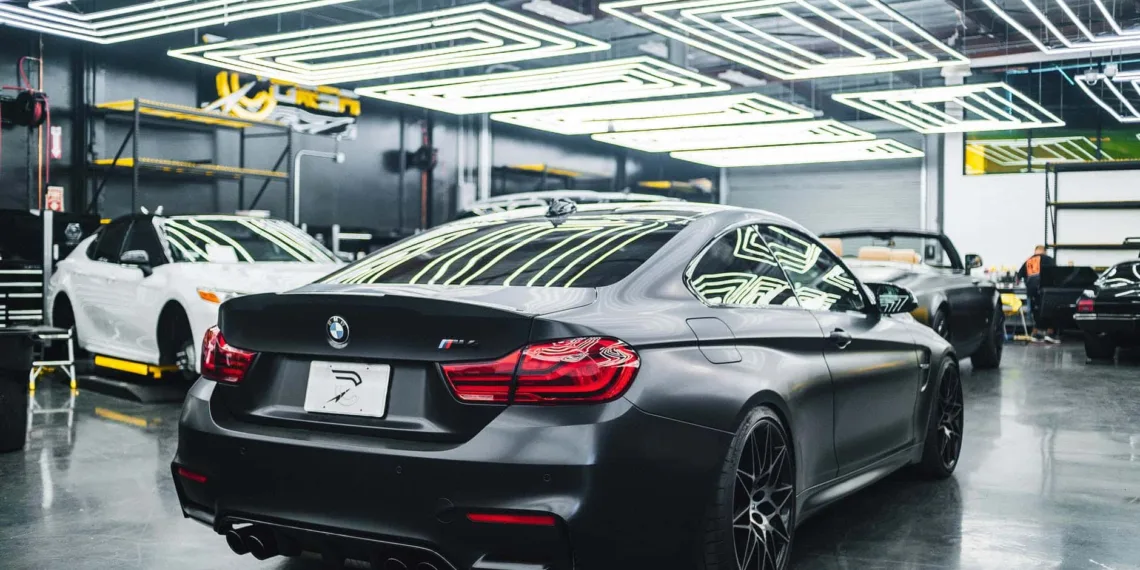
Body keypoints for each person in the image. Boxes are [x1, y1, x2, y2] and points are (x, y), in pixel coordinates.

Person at [1017, 245, 1058, 343]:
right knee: (1050, 311)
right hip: (1046, 290)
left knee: (1036, 311)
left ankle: (1036, 334)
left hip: (1031, 291)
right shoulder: (1048, 259)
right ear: (1044, 251)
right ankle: (1050, 333)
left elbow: (1018, 277)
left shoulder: (1028, 261)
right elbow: (1056, 274)